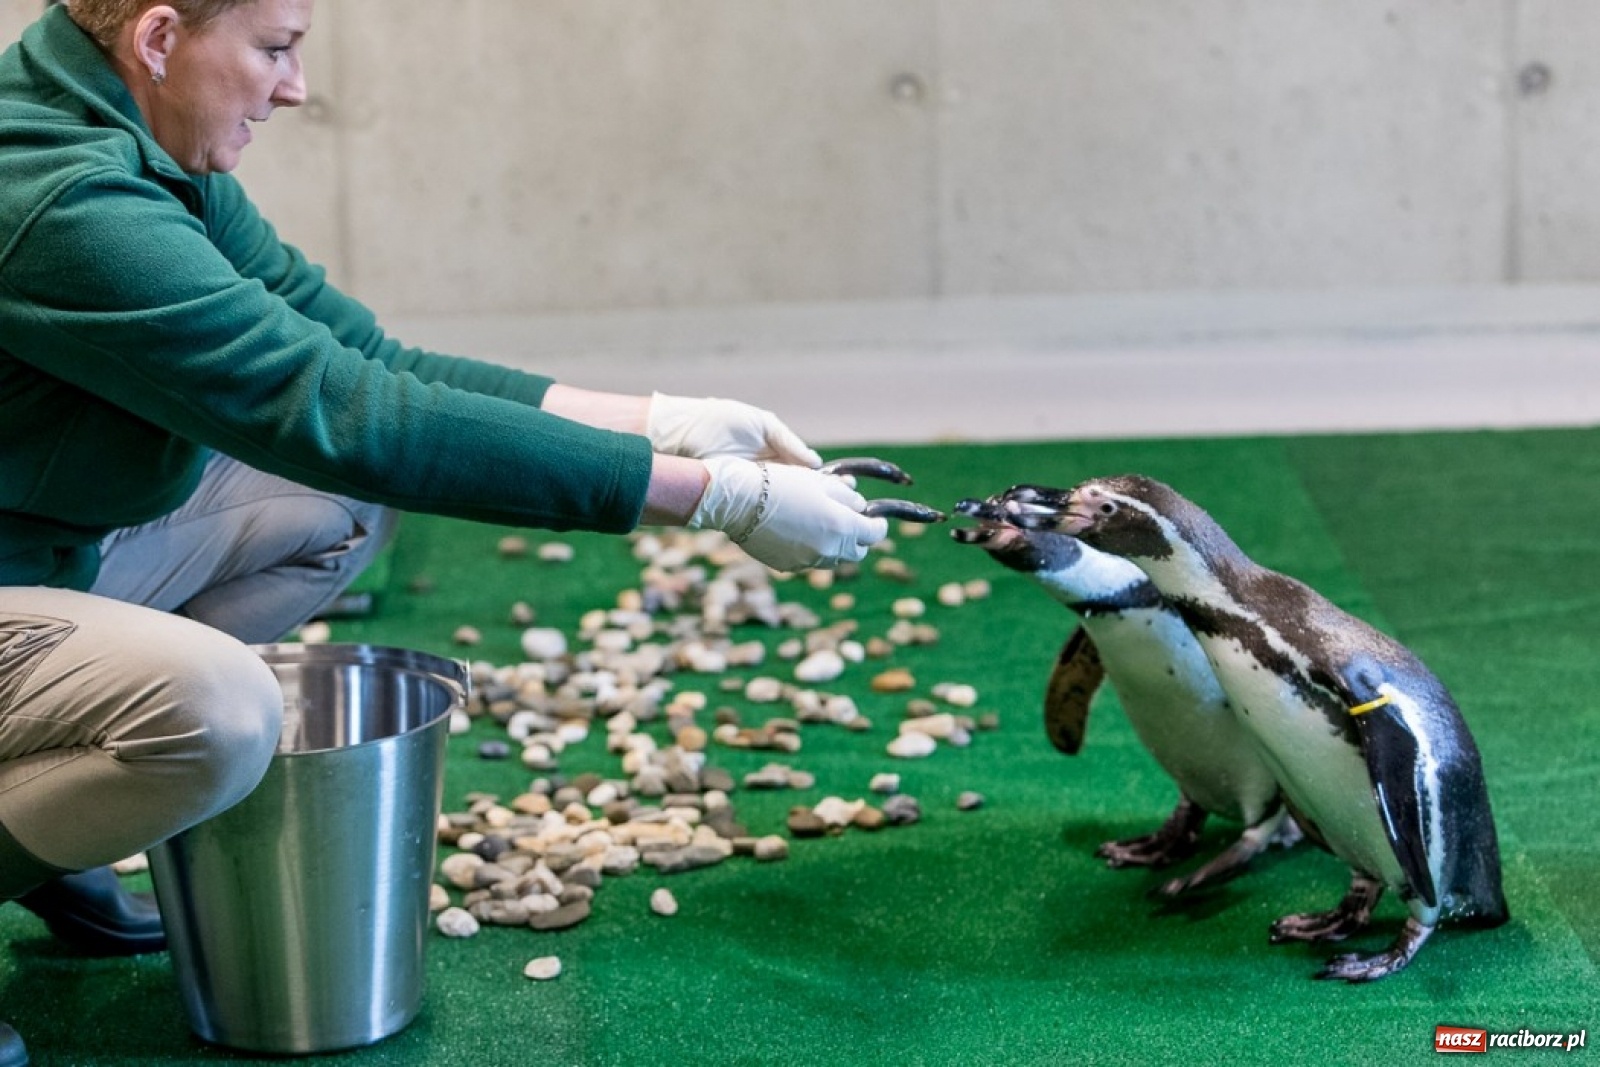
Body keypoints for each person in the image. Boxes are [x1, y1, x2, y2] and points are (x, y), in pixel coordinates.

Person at [0, 2, 888, 1061]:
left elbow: (376, 365)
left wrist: (661, 419)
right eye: (275, 50)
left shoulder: (135, 145)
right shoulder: (67, 200)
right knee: (216, 714)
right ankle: (63, 774)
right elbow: (343, 410)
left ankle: (50, 825)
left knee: (326, 504)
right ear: (157, 41)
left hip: (40, 549)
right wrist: (707, 495)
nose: (293, 87)